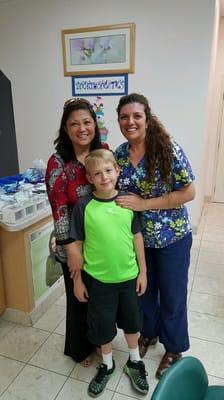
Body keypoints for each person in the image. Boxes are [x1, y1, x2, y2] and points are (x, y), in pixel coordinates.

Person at [114, 93, 196, 379]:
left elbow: (189, 192)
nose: (130, 121)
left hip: (172, 237)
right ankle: (149, 333)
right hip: (138, 241)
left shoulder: (167, 149)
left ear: (147, 119)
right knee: (143, 293)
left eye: (136, 116)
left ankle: (174, 349)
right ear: (119, 121)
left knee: (172, 295)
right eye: (124, 117)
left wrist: (144, 204)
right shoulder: (120, 155)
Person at [69, 149, 149, 397]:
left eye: (108, 171)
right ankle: (107, 364)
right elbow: (78, 246)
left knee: (132, 323)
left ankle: (134, 361)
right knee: (102, 326)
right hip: (98, 282)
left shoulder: (127, 203)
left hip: (128, 278)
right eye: (97, 173)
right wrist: (77, 280)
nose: (104, 177)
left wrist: (143, 272)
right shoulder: (84, 207)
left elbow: (137, 238)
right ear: (89, 178)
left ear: (117, 171)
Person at [45, 97, 108, 366]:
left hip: (101, 242)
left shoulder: (103, 151)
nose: (82, 128)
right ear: (66, 128)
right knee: (78, 297)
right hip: (73, 242)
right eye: (74, 124)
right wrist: (71, 248)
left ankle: (99, 340)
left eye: (86, 122)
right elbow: (59, 209)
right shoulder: (58, 162)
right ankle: (79, 348)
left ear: (94, 124)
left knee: (99, 297)